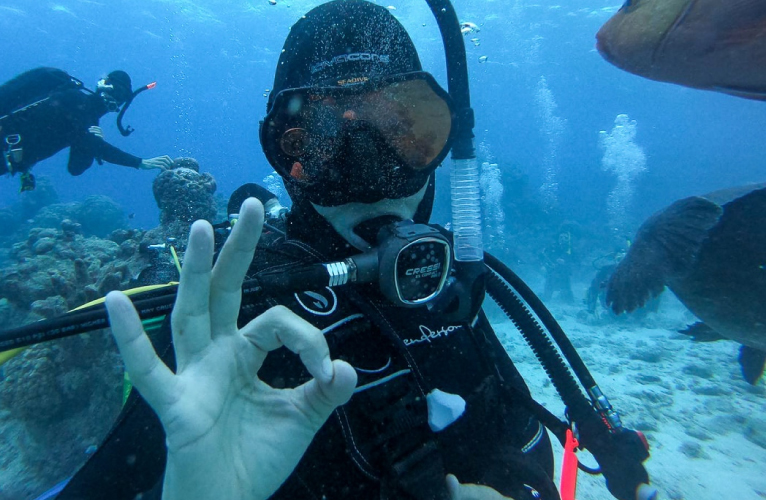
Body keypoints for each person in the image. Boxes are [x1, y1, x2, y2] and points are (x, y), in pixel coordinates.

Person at [59, 2, 556, 499]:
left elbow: (526, 444)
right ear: (286, 156)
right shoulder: (232, 321)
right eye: (324, 143)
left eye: (404, 132)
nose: (373, 181)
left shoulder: (443, 286)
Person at [0, 67, 173, 203]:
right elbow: (83, 143)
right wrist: (138, 162)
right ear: (104, 88)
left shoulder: (86, 122)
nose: (115, 103)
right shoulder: (75, 100)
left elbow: (76, 169)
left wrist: (94, 142)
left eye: (121, 99)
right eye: (117, 95)